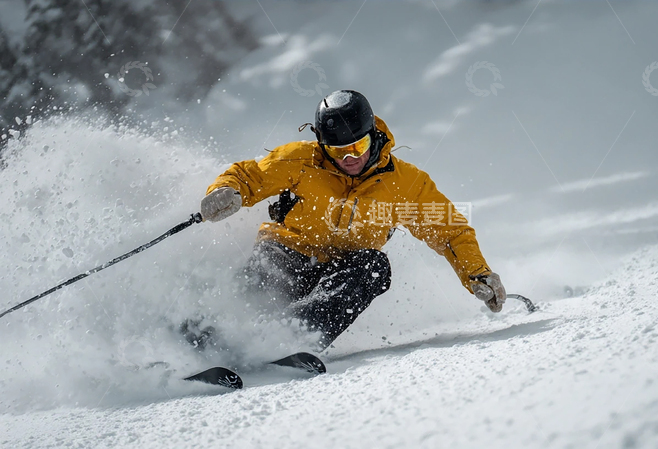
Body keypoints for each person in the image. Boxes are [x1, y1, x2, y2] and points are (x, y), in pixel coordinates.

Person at [199, 89, 506, 349]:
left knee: (373, 267)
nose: (350, 159)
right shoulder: (300, 159)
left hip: (345, 269)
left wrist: (477, 274)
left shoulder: (405, 183)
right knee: (266, 281)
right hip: (287, 250)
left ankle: (290, 338)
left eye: (358, 147)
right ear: (322, 144)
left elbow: (450, 231)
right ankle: (209, 333)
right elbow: (247, 175)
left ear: (373, 135)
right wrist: (226, 191)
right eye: (338, 151)